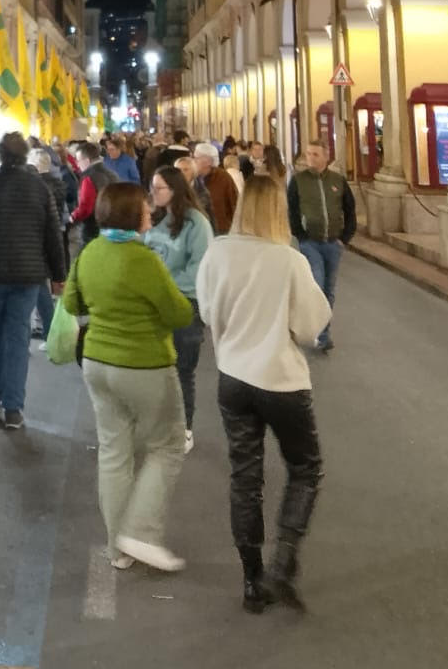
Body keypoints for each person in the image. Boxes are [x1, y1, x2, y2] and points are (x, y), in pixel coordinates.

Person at [196, 177, 330, 614]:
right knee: (305, 468)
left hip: (233, 378)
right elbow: (310, 328)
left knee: (245, 478)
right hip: (281, 380)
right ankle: (283, 561)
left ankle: (252, 580)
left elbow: (206, 312)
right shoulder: (288, 261)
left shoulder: (217, 252)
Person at [63, 180, 192, 572]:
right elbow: (179, 314)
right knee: (167, 445)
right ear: (132, 215)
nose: (150, 213)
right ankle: (140, 532)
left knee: (114, 453)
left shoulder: (90, 252)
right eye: (145, 209)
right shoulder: (143, 259)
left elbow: (70, 301)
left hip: (96, 363)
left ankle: (117, 548)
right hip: (144, 364)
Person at [0, 132, 65, 430]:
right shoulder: (39, 189)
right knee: (18, 338)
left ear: (0, 155)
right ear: (25, 155)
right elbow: (53, 237)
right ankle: (14, 408)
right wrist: (59, 276)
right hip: (28, 275)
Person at [145, 166, 212, 452]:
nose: (153, 193)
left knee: (182, 370)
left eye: (159, 188)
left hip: (185, 305)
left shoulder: (197, 224)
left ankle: (183, 428)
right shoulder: (154, 218)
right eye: (152, 187)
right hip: (153, 306)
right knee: (155, 369)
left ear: (175, 190)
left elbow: (200, 268)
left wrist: (162, 284)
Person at [288, 141, 357, 352]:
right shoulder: (299, 181)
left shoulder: (338, 181)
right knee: (317, 284)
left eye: (315, 154)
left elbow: (350, 209)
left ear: (326, 157)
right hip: (311, 242)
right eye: (308, 154)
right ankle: (315, 331)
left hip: (333, 243)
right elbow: (292, 209)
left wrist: (344, 238)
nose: (311, 158)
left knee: (329, 289)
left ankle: (324, 333)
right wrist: (300, 235)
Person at [29, 147, 69, 339]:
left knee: (40, 289)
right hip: (54, 233)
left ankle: (46, 329)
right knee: (42, 287)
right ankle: (46, 328)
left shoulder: (36, 188)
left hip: (39, 242)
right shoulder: (58, 183)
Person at [71, 142, 116, 247]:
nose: (77, 164)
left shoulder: (88, 178)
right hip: (112, 225)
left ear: (86, 161)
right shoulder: (111, 174)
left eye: (78, 160)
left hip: (93, 227)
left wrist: (73, 216)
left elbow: (86, 207)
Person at [194, 142, 239, 233]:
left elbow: (234, 204)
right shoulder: (191, 177)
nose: (193, 161)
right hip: (196, 229)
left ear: (208, 162)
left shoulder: (223, 178)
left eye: (196, 158)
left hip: (219, 229)